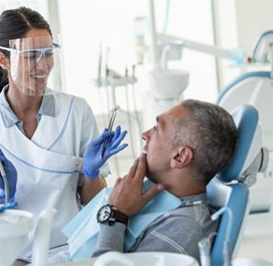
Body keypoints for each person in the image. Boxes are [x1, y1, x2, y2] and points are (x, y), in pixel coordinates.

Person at [0, 6, 128, 262]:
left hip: (72, 250)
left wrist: (91, 173)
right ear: (4, 60)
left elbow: (92, 200)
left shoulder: (76, 111)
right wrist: (2, 196)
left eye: (48, 53)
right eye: (30, 56)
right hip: (14, 255)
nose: (42, 65)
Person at [92, 99, 238, 264]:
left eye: (158, 129)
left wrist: (115, 215)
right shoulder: (159, 199)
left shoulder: (183, 229)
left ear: (180, 156)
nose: (145, 135)